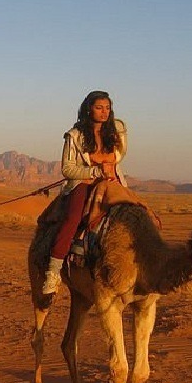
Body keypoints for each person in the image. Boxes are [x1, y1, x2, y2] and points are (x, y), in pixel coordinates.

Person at [42, 90, 128, 294]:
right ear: (88, 109)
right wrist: (95, 170)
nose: (104, 112)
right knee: (72, 219)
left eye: (107, 108)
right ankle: (53, 272)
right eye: (99, 107)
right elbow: (67, 169)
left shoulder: (118, 129)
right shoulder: (75, 135)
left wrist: (108, 172)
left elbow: (119, 156)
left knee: (140, 215)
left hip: (113, 183)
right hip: (84, 183)